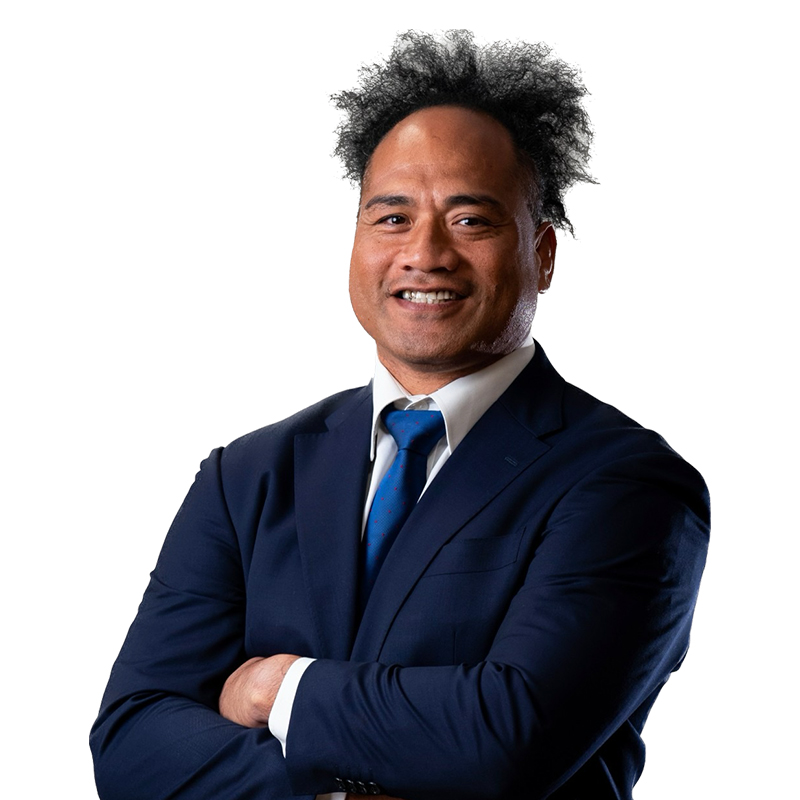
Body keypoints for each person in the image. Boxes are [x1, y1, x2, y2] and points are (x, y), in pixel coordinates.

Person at [90, 31, 709, 800]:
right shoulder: (246, 476)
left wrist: (279, 687)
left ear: (543, 253)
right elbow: (132, 741)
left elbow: (508, 736)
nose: (425, 252)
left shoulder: (626, 484)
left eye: (471, 220)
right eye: (391, 218)